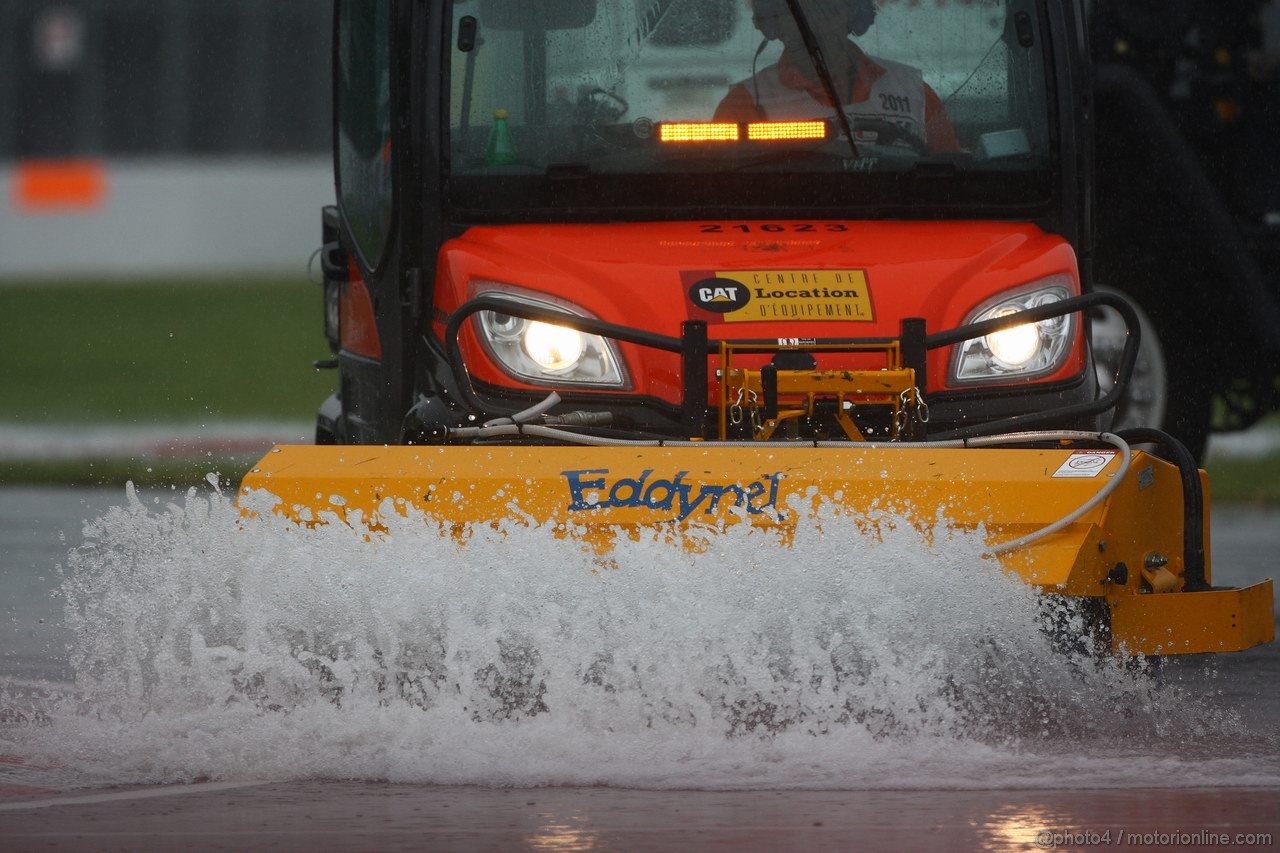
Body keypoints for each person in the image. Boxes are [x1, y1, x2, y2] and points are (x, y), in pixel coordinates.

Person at [715, 0, 960, 154]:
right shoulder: (745, 104)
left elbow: (955, 186)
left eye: (827, 8)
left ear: (853, 13)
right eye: (798, 13)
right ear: (773, 23)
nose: (813, 25)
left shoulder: (913, 92)